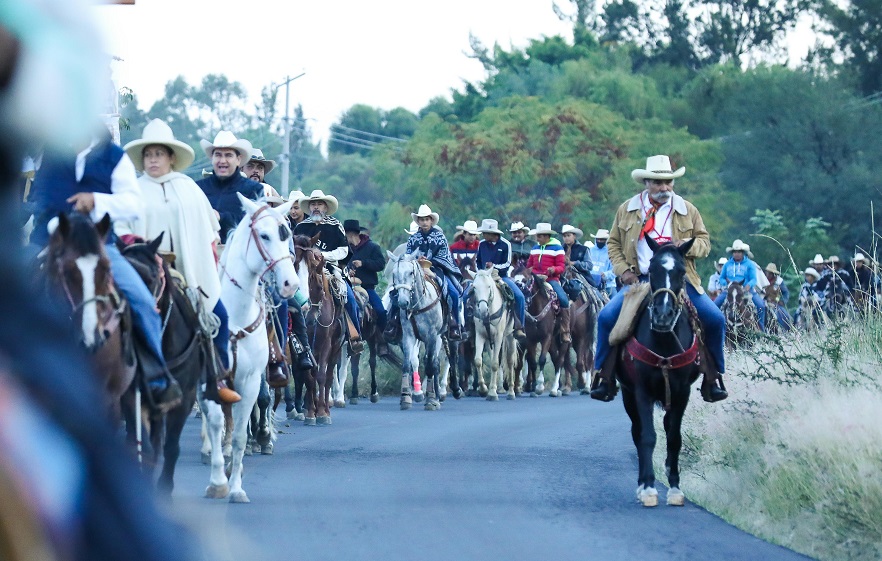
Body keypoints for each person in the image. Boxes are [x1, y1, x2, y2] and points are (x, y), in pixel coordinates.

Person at [29, 125, 183, 412]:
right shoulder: (51, 153)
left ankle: (156, 376)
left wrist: (96, 200)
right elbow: (42, 200)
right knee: (13, 292)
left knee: (143, 301)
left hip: (101, 245)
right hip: (54, 242)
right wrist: (61, 228)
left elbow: (134, 205)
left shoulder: (114, 156)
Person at [590, 155, 727, 403]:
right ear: (646, 183)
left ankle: (713, 378)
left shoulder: (688, 210)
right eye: (658, 182)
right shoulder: (627, 209)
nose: (664, 188)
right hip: (640, 280)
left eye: (668, 182)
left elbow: (705, 243)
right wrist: (623, 271)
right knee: (606, 317)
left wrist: (689, 245)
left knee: (715, 319)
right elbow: (613, 243)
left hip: (678, 281)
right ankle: (604, 376)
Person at [122, 119, 240, 403]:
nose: (153, 160)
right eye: (148, 155)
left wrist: (205, 261)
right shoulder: (134, 191)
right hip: (146, 272)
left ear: (170, 157)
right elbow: (122, 231)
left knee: (220, 317)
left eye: (158, 154)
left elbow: (209, 233)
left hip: (186, 273)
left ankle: (217, 377)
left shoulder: (188, 189)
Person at [293, 190, 363, 352]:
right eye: (313, 204)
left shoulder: (335, 225)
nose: (316, 207)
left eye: (319, 204)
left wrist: (323, 255)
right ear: (309, 207)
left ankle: (354, 336)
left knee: (348, 295)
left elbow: (344, 250)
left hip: (330, 267)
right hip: (304, 268)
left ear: (325, 207)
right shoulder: (301, 227)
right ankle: (290, 335)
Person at [398, 204, 465, 340]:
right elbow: (408, 255)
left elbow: (444, 255)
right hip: (415, 270)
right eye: (421, 219)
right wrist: (417, 260)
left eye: (426, 219)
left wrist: (429, 262)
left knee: (453, 293)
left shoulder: (439, 237)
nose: (424, 222)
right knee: (398, 292)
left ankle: (454, 324)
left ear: (431, 220)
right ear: (418, 222)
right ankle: (394, 322)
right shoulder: (413, 238)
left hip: (436, 269)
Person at [195, 131, 262, 244]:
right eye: (218, 155)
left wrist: (221, 217)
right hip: (203, 255)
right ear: (212, 158)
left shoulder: (254, 189)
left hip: (241, 257)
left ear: (238, 159)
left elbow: (257, 224)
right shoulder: (198, 188)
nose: (222, 160)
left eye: (228, 155)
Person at [470, 218, 526, 341]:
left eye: (485, 233)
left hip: (501, 276)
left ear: (492, 234)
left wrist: (494, 267)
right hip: (483, 277)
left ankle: (519, 326)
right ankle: (466, 325)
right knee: (465, 295)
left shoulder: (506, 244)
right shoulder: (482, 244)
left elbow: (507, 263)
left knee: (519, 296)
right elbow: (478, 261)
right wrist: (481, 272)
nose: (483, 235)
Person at [345, 219, 389, 354]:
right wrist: (347, 269)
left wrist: (364, 263)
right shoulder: (345, 249)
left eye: (345, 234)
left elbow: (381, 264)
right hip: (348, 286)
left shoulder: (372, 247)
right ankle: (350, 338)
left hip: (367, 287)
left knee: (380, 311)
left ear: (351, 234)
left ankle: (381, 339)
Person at [525, 222, 571, 343]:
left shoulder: (557, 249)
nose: (537, 238)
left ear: (546, 236)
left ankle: (565, 329)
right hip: (535, 279)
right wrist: (528, 270)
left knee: (563, 299)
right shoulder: (535, 249)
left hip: (550, 280)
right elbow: (529, 265)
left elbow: (561, 266)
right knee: (523, 295)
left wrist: (553, 270)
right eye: (537, 236)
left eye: (539, 236)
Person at [713, 239, 766, 330]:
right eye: (734, 252)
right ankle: (714, 328)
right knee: (714, 305)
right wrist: (725, 284)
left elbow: (754, 279)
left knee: (761, 306)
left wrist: (749, 285)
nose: (736, 254)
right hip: (729, 290)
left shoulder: (749, 264)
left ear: (743, 253)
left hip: (746, 290)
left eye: (739, 252)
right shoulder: (727, 265)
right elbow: (721, 277)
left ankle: (761, 330)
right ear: (732, 253)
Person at [762, 263, 792, 331]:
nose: (769, 274)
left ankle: (786, 331)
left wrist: (782, 301)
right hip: (763, 301)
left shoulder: (779, 281)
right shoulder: (762, 279)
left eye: (771, 273)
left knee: (785, 316)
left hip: (775, 303)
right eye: (768, 272)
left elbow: (786, 292)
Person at [588, 228, 617, 298]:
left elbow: (615, 270)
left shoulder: (611, 252)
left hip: (608, 286)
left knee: (616, 305)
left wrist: (605, 275)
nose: (599, 241)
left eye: (602, 239)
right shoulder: (590, 251)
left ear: (606, 240)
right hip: (591, 284)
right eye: (598, 239)